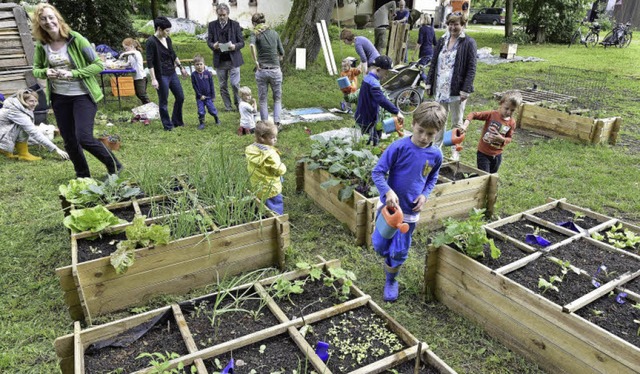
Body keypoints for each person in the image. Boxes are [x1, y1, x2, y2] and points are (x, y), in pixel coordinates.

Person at [31, 3, 122, 177]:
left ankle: (114, 164)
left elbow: (98, 65)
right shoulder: (42, 45)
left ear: (58, 18)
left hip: (82, 96)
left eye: (51, 17)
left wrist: (72, 74)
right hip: (59, 98)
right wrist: (45, 72)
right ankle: (82, 175)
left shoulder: (76, 39)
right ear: (39, 23)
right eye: (43, 19)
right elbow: (36, 69)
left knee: (84, 138)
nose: (48, 21)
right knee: (69, 142)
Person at [371, 101, 446, 302]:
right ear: (413, 123)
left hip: (409, 214)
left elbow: (432, 178)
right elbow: (377, 172)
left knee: (399, 251)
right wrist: (387, 191)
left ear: (438, 132)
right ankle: (388, 255)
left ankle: (391, 279)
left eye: (430, 134)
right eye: (421, 131)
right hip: (389, 210)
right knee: (379, 245)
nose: (424, 137)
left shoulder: (436, 154)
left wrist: (425, 195)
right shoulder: (399, 147)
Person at [425, 11, 477, 160]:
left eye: (456, 24)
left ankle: (455, 150)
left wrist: (465, 89)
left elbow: (471, 67)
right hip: (441, 87)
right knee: (439, 118)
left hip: (457, 90)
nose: (453, 27)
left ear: (463, 24)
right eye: (450, 24)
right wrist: (429, 82)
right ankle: (436, 148)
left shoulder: (468, 42)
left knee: (456, 121)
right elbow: (434, 62)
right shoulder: (442, 40)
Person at [461, 91, 522, 174]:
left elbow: (509, 138)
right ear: (500, 104)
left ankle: (472, 178)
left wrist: (502, 139)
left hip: (497, 155)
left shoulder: (512, 123)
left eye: (512, 110)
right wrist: (465, 125)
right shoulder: (492, 114)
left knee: (491, 177)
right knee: (484, 176)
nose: (508, 112)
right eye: (506, 108)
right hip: (483, 153)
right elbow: (473, 114)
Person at [0, 88, 69, 161]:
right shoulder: (15, 112)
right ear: (23, 100)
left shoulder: (21, 107)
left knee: (29, 131)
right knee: (24, 128)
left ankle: (18, 152)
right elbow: (33, 132)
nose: (34, 104)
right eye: (31, 101)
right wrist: (55, 148)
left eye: (36, 101)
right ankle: (22, 153)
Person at [146, 16, 189, 131]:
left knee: (180, 97)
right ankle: (168, 125)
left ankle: (177, 121)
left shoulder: (168, 40)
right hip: (161, 76)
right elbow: (149, 62)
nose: (168, 33)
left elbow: (172, 54)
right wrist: (153, 79)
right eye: (167, 31)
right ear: (159, 29)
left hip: (172, 73)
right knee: (163, 101)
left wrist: (181, 67)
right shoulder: (151, 42)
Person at [354, 55, 403, 146]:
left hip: (365, 116)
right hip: (367, 119)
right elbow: (381, 99)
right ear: (378, 69)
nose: (386, 75)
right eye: (386, 73)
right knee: (370, 143)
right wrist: (396, 111)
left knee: (373, 139)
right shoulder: (373, 83)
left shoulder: (369, 78)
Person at [207, 3, 245, 112]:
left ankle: (239, 105)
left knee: (234, 84)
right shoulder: (212, 25)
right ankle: (228, 107)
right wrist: (213, 46)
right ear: (217, 14)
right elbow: (209, 41)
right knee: (223, 85)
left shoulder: (235, 25)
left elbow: (242, 42)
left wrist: (235, 46)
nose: (222, 17)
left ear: (228, 14)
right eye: (220, 15)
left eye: (224, 15)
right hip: (220, 60)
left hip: (234, 59)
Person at [250, 13, 284, 127]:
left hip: (262, 70)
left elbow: (251, 46)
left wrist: (255, 61)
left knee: (263, 99)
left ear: (254, 23)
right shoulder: (274, 33)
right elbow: (282, 52)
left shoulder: (255, 34)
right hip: (275, 70)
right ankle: (277, 123)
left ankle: (265, 124)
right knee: (277, 98)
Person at [245, 120, 286, 215]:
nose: (275, 139)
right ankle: (277, 220)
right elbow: (279, 170)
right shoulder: (270, 155)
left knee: (263, 202)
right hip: (271, 187)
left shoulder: (251, 149)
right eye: (272, 137)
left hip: (257, 184)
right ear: (262, 138)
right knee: (274, 204)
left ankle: (263, 214)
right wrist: (283, 166)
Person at [190, 54, 219, 130]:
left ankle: (216, 119)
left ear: (204, 65)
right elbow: (194, 86)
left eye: (201, 64)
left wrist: (213, 96)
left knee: (212, 110)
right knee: (201, 111)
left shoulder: (207, 73)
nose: (199, 66)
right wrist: (199, 95)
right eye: (197, 64)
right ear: (194, 65)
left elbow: (211, 85)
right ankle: (201, 123)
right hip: (200, 98)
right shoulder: (193, 75)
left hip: (208, 96)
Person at [120, 38, 150, 105]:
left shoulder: (137, 53)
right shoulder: (131, 55)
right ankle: (146, 106)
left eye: (126, 48)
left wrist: (124, 54)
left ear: (132, 46)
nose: (125, 50)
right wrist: (120, 65)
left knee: (142, 94)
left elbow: (134, 52)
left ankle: (150, 107)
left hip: (141, 77)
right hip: (136, 77)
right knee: (138, 94)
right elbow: (128, 64)